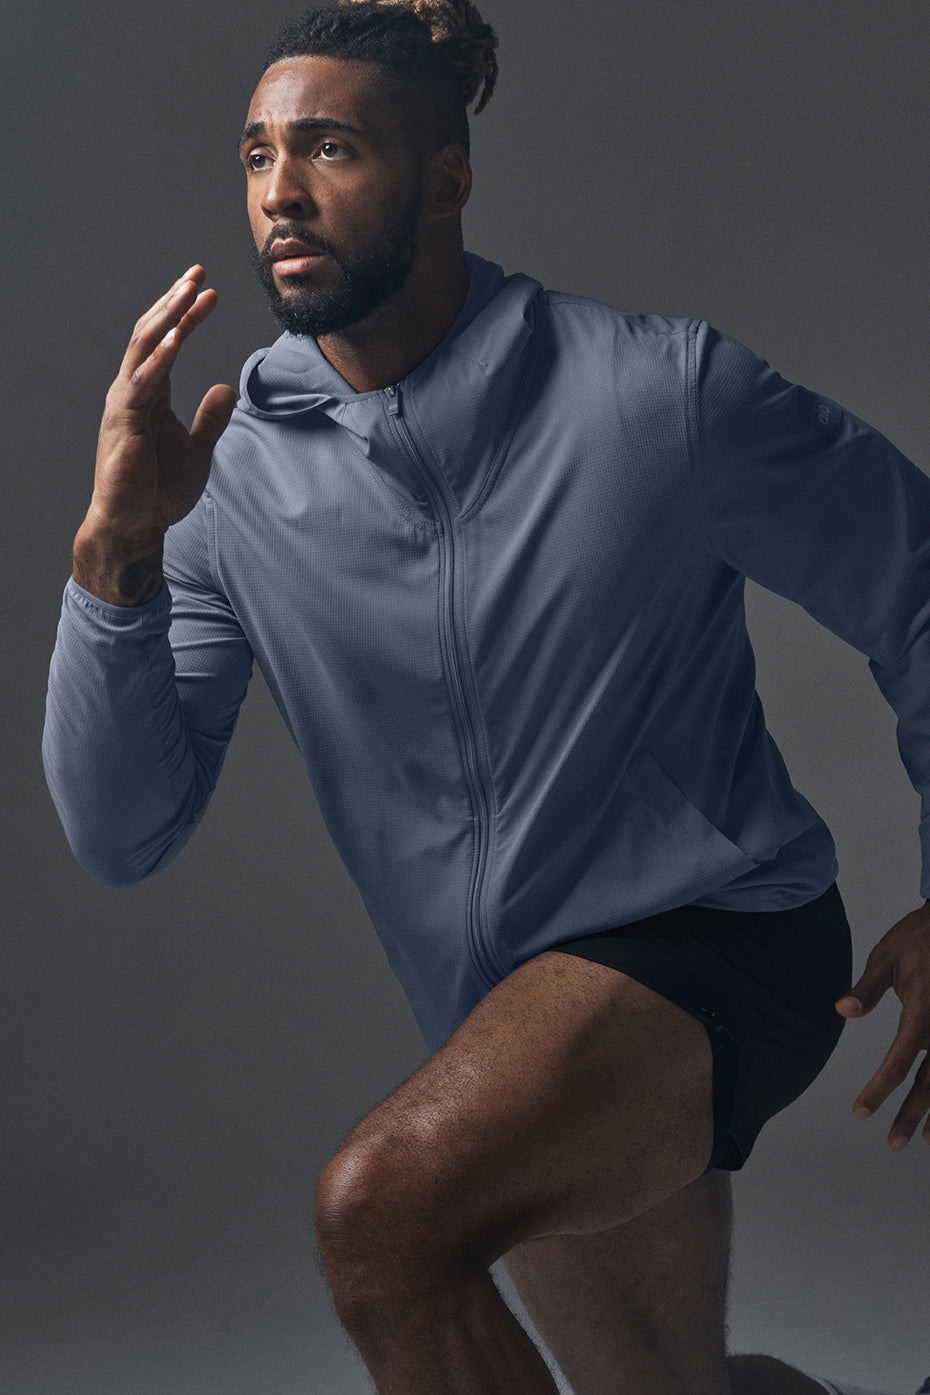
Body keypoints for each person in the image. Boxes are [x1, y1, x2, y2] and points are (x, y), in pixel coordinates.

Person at [42, 2, 930, 1392]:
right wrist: (118, 560)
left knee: (383, 1217)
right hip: (506, 1011)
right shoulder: (225, 484)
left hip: (723, 940)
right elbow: (122, 831)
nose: (281, 191)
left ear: (446, 177)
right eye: (259, 153)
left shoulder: (657, 396)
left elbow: (917, 582)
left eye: (331, 148)